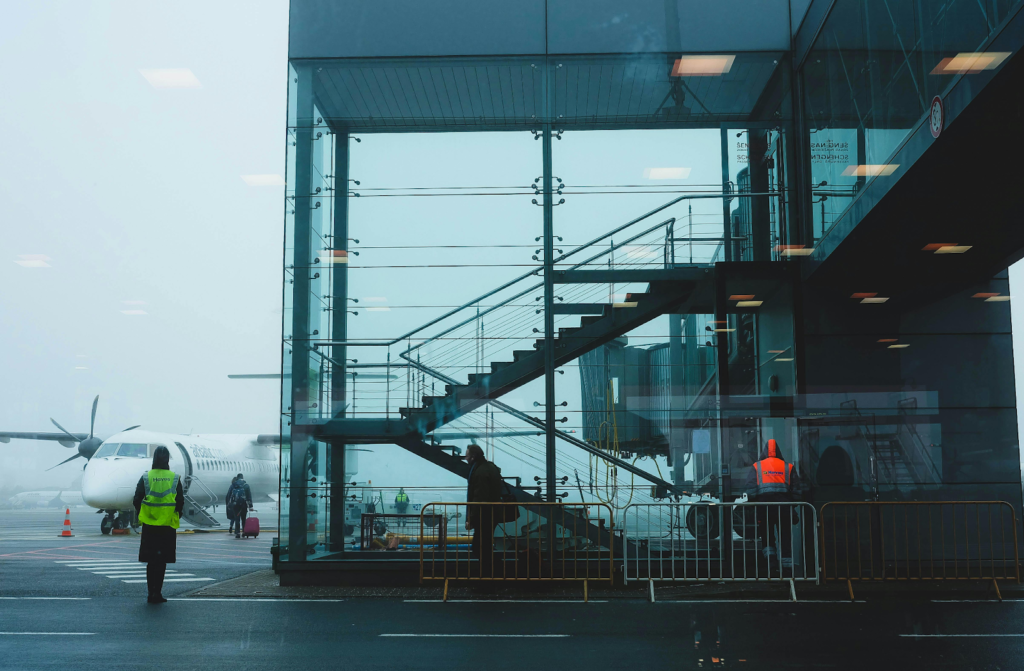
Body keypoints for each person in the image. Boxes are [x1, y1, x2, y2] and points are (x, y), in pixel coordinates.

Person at [132, 446, 184, 604]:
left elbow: (136, 499)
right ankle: (157, 593)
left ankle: (150, 593)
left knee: (151, 561)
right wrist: (175, 514)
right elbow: (180, 501)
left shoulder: (146, 477)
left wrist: (145, 512)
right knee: (161, 561)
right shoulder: (174, 477)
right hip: (167, 526)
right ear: (167, 459)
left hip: (150, 525)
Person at [744, 438, 800, 568]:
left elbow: (751, 490)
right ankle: (787, 569)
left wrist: (754, 502)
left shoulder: (757, 467)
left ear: (764, 451)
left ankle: (771, 563)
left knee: (767, 536)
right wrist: (793, 505)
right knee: (785, 537)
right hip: (784, 509)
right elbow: (797, 491)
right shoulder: (788, 467)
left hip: (764, 509)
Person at [464, 444, 502, 578]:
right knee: (484, 547)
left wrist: (471, 519)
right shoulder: (490, 467)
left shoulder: (479, 472)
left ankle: (489, 577)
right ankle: (490, 575)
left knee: (479, 548)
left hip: (484, 515)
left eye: (467, 455)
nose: (465, 458)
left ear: (473, 457)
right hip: (491, 513)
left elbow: (479, 498)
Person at [228, 473, 253, 539]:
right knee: (243, 519)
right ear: (243, 477)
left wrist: (229, 504)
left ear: (237, 478)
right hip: (244, 505)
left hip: (235, 505)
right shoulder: (246, 485)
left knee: (237, 519)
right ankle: (244, 532)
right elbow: (249, 496)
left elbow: (229, 494)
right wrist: (250, 506)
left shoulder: (233, 485)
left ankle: (237, 533)